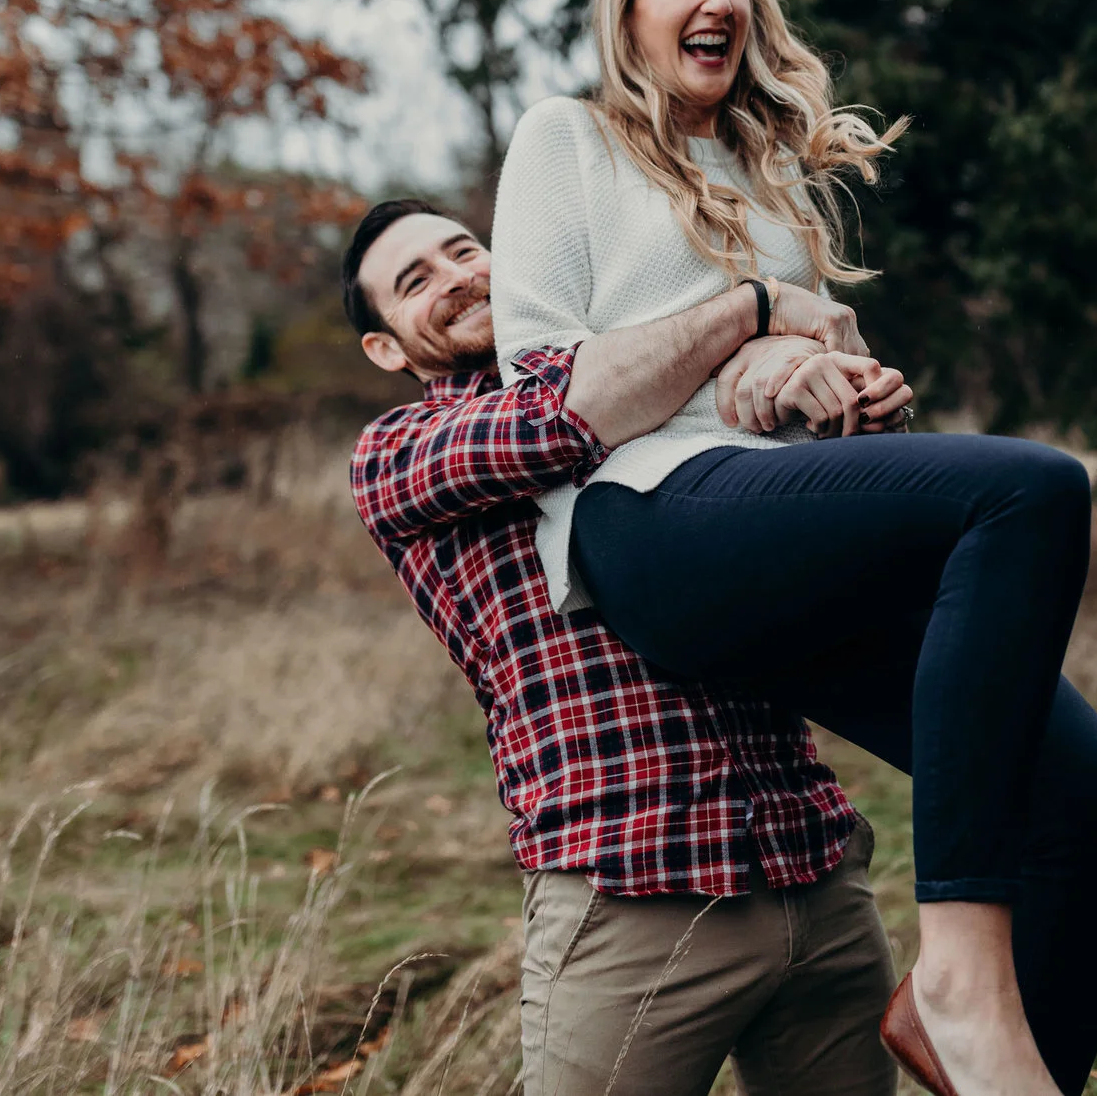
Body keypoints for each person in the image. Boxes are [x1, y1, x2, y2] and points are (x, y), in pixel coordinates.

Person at [489, 0, 1097, 1096]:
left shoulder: (762, 170)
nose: (719, 2)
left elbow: (745, 387)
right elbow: (551, 389)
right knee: (1028, 489)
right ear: (628, 13)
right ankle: (958, 972)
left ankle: (1005, 1064)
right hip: (646, 523)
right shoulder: (567, 139)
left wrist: (832, 393)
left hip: (762, 519)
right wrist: (751, 319)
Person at [344, 196, 915, 1096]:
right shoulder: (398, 453)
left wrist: (851, 412)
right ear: (386, 346)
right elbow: (559, 423)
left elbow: (820, 545)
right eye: (415, 283)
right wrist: (757, 306)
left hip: (811, 868)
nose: (456, 278)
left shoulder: (657, 371)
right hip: (629, 890)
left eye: (464, 252)